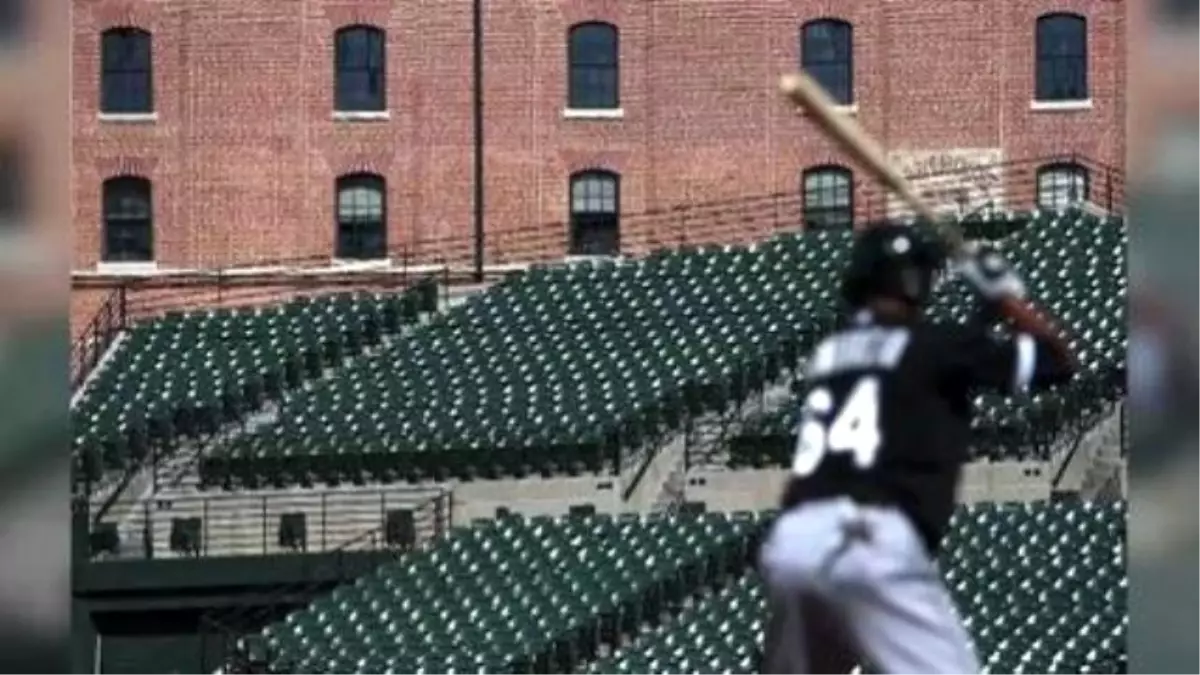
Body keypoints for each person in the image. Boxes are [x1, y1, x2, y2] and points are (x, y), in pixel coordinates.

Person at [758, 224, 1077, 674]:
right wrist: (1007, 300)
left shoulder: (829, 354)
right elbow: (1057, 363)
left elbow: (916, 370)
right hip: (871, 539)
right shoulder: (938, 345)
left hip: (795, 541)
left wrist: (981, 315)